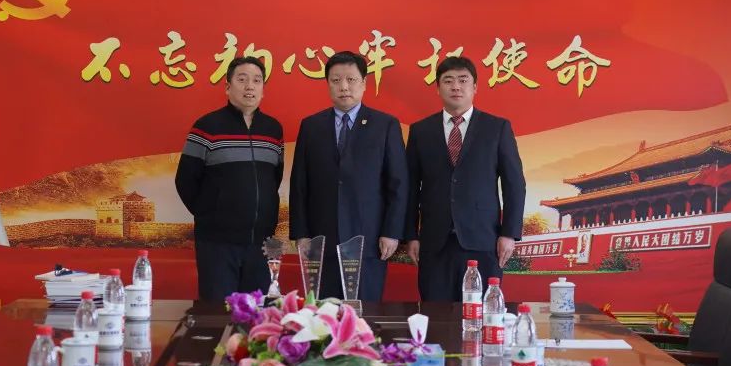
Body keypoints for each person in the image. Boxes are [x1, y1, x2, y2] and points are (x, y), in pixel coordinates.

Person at [289, 51, 408, 302]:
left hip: (369, 240)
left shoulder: (385, 125)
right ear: (328, 84)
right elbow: (300, 183)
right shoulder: (311, 126)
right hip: (321, 241)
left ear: (364, 83)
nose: (344, 87)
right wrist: (301, 233)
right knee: (324, 314)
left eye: (351, 80)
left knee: (364, 313)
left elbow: (397, 183)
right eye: (336, 80)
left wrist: (392, 231)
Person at [404, 56, 526, 301]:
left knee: (480, 312)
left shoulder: (497, 128)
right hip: (434, 242)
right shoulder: (421, 131)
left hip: (483, 240)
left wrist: (509, 233)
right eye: (448, 81)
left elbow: (514, 184)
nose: (456, 87)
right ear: (438, 88)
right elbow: (410, 187)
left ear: (475, 87)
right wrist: (410, 235)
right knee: (436, 313)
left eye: (463, 80)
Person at [175, 57, 284, 301]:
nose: (250, 86)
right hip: (217, 244)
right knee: (218, 313)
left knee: (257, 313)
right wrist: (212, 213)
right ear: (227, 87)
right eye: (242, 79)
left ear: (263, 89)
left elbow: (273, 179)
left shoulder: (273, 130)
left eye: (257, 81)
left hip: (261, 244)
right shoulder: (206, 127)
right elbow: (185, 180)